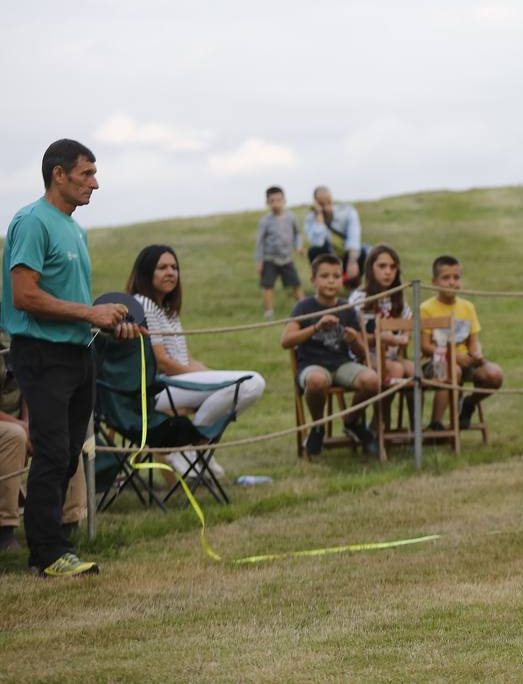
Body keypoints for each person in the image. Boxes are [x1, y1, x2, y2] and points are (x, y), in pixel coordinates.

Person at [2, 138, 138, 578]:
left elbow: (68, 300)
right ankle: (46, 552)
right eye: (86, 174)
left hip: (79, 354)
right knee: (53, 451)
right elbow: (23, 297)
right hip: (42, 356)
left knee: (67, 453)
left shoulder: (73, 227)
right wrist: (89, 312)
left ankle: (54, 542)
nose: (95, 184)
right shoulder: (31, 222)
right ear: (58, 174)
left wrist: (107, 323)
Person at [126, 245, 267, 477]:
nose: (170, 272)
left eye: (174, 267)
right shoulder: (144, 303)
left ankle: (193, 446)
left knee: (244, 385)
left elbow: (184, 358)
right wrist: (207, 381)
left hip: (179, 385)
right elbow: (162, 362)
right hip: (159, 389)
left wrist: (211, 375)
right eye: (162, 267)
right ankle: (192, 445)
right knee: (252, 382)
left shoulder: (167, 309)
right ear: (146, 272)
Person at [281, 253, 380, 456]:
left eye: (336, 276)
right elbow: (286, 341)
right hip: (312, 364)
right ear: (313, 280)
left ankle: (351, 422)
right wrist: (316, 327)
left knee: (372, 380)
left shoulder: (347, 308)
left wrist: (353, 340)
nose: (331, 281)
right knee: (317, 381)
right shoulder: (304, 306)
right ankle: (318, 426)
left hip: (342, 364)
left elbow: (362, 353)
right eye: (325, 276)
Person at [0, 349, 88, 553]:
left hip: (20, 421)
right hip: (10, 428)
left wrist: (32, 421)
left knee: (62, 435)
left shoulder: (17, 332)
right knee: (14, 437)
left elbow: (29, 384)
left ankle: (68, 525)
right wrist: (23, 427)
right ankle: (5, 529)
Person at [420, 255, 503, 433]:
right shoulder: (426, 308)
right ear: (434, 282)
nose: (452, 282)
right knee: (453, 370)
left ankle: (468, 404)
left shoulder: (467, 307)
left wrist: (476, 354)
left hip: (466, 360)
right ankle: (436, 423)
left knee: (494, 374)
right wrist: (453, 356)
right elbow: (425, 347)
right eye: (446, 278)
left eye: (456, 277)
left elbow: (473, 341)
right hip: (437, 362)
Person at [349, 244, 415, 383]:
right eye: (382, 266)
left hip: (391, 356)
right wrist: (379, 338)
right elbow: (353, 337)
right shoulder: (359, 298)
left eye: (393, 267)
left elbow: (408, 322)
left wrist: (405, 336)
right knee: (396, 369)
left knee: (414, 371)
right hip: (364, 357)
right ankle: (383, 406)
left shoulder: (397, 297)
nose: (388, 272)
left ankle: (414, 405)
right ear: (370, 268)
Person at [255, 185, 304, 319]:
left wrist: (298, 247)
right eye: (272, 201)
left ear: (284, 201)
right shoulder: (265, 221)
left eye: (278, 200)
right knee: (267, 285)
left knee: (295, 283)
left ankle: (304, 307)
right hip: (270, 258)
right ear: (267, 203)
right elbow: (259, 242)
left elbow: (297, 234)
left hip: (287, 258)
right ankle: (268, 311)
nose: (276, 204)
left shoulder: (291, 217)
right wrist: (259, 261)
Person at [304, 187, 367, 288]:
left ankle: (353, 284)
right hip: (328, 256)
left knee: (363, 251)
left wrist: (352, 261)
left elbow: (354, 238)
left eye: (328, 202)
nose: (326, 207)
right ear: (315, 203)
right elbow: (317, 243)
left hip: (347, 254)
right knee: (313, 251)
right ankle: (324, 285)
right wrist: (319, 219)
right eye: (321, 203)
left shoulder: (348, 212)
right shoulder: (310, 219)